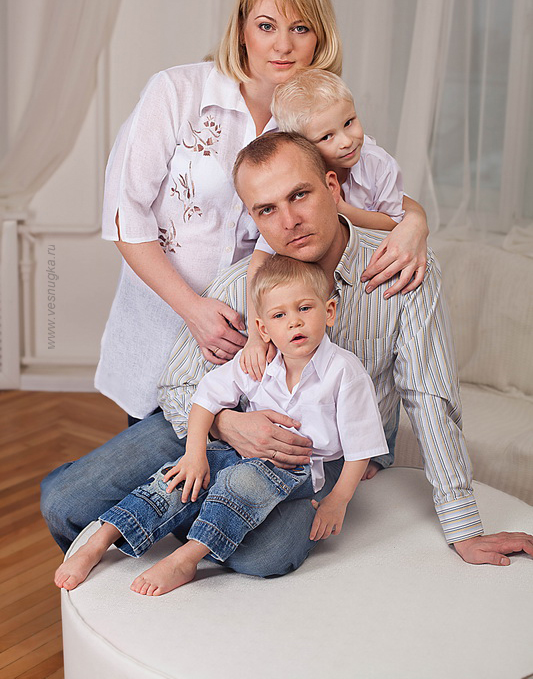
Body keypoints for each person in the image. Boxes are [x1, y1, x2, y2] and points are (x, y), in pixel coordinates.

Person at [41, 131, 533, 570]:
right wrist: (227, 425)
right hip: (217, 421)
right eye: (266, 210)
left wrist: (464, 527)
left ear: (332, 188)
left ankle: (165, 517)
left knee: (268, 553)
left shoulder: (400, 267)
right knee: (64, 503)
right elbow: (179, 384)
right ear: (253, 217)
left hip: (318, 448)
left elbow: (429, 397)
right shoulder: (243, 281)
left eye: (300, 195)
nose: (290, 221)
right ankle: (180, 513)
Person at [94, 0, 429, 422]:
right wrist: (193, 310)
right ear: (241, 29)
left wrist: (415, 223)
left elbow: (375, 184)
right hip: (162, 326)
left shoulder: (318, 118)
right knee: (150, 459)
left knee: (234, 460)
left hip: (257, 346)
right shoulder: (176, 92)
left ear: (320, 38)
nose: (283, 45)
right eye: (266, 26)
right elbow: (124, 215)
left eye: (300, 28)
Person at [54, 256, 388, 595]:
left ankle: (187, 557)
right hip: (238, 451)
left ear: (329, 311)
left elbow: (360, 446)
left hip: (298, 468)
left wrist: (338, 500)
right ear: (263, 329)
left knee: (243, 483)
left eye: (304, 308)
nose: (294, 322)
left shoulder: (344, 372)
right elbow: (205, 399)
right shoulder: (257, 361)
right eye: (279, 315)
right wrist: (194, 454)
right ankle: (102, 539)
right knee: (178, 478)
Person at [240, 68, 408, 381]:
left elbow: (392, 222)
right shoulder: (287, 194)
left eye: (349, 122)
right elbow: (257, 264)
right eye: (327, 137)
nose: (346, 142)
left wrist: (340, 209)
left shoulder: (378, 164)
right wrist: (255, 335)